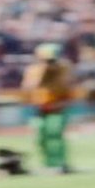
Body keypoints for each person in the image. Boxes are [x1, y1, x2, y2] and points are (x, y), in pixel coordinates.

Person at [20, 43, 74, 172]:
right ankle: (47, 163)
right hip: (39, 108)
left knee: (54, 135)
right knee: (40, 137)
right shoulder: (33, 70)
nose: (49, 64)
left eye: (52, 60)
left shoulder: (63, 69)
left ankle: (59, 163)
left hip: (57, 107)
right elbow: (28, 88)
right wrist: (41, 75)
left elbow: (66, 86)